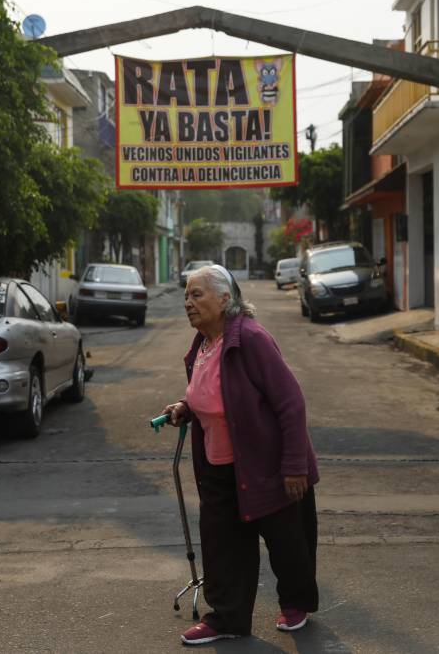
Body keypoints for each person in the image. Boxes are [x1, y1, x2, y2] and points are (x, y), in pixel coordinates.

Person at [163, 265, 319, 646]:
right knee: (222, 547)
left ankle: (295, 603)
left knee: (287, 543)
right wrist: (186, 406)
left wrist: (294, 466)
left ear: (224, 299)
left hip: (268, 465)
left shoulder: (250, 339)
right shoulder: (202, 344)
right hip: (219, 468)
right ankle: (227, 617)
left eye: (197, 295)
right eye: (186, 296)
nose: (188, 303)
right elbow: (213, 392)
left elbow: (291, 402)